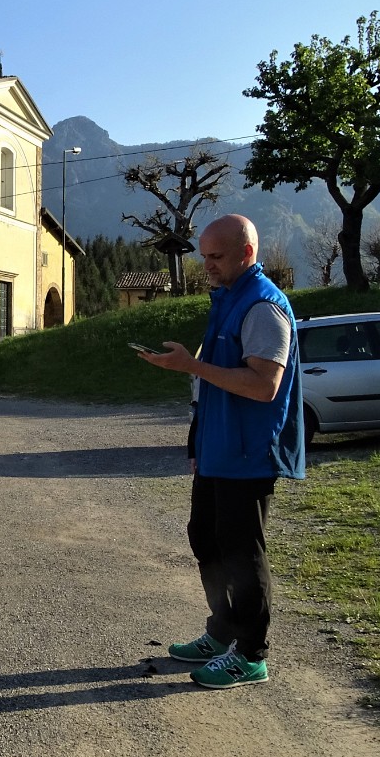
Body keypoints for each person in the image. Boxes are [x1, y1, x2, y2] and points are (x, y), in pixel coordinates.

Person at [137, 214, 304, 689]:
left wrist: (191, 364)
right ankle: (222, 630)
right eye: (203, 255)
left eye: (215, 256)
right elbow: (214, 381)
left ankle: (251, 655)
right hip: (216, 451)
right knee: (205, 539)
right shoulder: (229, 298)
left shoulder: (263, 307)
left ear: (246, 253)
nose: (205, 265)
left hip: (247, 455)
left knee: (242, 555)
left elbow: (264, 385)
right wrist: (197, 436)